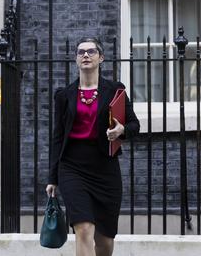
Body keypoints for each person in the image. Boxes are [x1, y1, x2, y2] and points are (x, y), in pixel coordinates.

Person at [46, 38, 140, 256]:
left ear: (101, 57)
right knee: (84, 229)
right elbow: (57, 138)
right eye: (81, 52)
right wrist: (52, 178)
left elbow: (135, 125)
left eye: (91, 51)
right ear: (76, 59)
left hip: (105, 167)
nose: (86, 55)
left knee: (104, 241)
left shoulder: (115, 91)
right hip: (72, 167)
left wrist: (121, 130)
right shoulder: (64, 95)